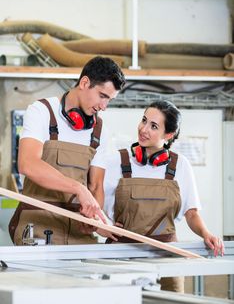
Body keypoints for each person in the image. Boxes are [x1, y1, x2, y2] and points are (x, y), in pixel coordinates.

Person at [102, 99, 225, 292]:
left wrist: (206, 234)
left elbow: (191, 213)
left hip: (167, 256)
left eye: (153, 126)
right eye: (144, 120)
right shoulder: (116, 161)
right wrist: (105, 227)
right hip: (121, 255)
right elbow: (94, 203)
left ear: (168, 134)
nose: (143, 129)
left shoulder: (180, 165)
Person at [9, 56, 125, 246]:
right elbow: (27, 164)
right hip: (38, 228)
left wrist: (94, 219)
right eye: (102, 96)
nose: (103, 106)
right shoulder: (42, 111)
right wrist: (78, 189)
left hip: (78, 234)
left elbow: (95, 186)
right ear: (85, 82)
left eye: (109, 100)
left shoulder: (100, 129)